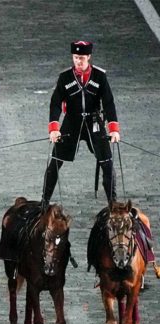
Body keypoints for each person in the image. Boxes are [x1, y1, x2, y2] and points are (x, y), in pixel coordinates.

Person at [43, 40, 120, 208]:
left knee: (107, 163)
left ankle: (113, 204)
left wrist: (114, 129)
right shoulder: (65, 77)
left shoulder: (100, 76)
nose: (79, 61)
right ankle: (44, 202)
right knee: (55, 163)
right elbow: (55, 103)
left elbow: (108, 102)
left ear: (89, 57)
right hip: (71, 123)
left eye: (82, 58)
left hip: (94, 123)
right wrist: (54, 129)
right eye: (76, 57)